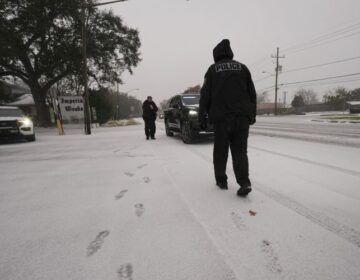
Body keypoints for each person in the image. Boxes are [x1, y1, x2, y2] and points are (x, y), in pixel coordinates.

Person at [199, 39, 257, 197]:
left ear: (216, 54)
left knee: (220, 151)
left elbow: (205, 95)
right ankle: (244, 182)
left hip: (221, 119)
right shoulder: (243, 68)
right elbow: (252, 94)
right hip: (242, 118)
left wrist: (202, 116)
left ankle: (221, 180)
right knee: (240, 152)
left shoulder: (212, 70)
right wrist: (252, 114)